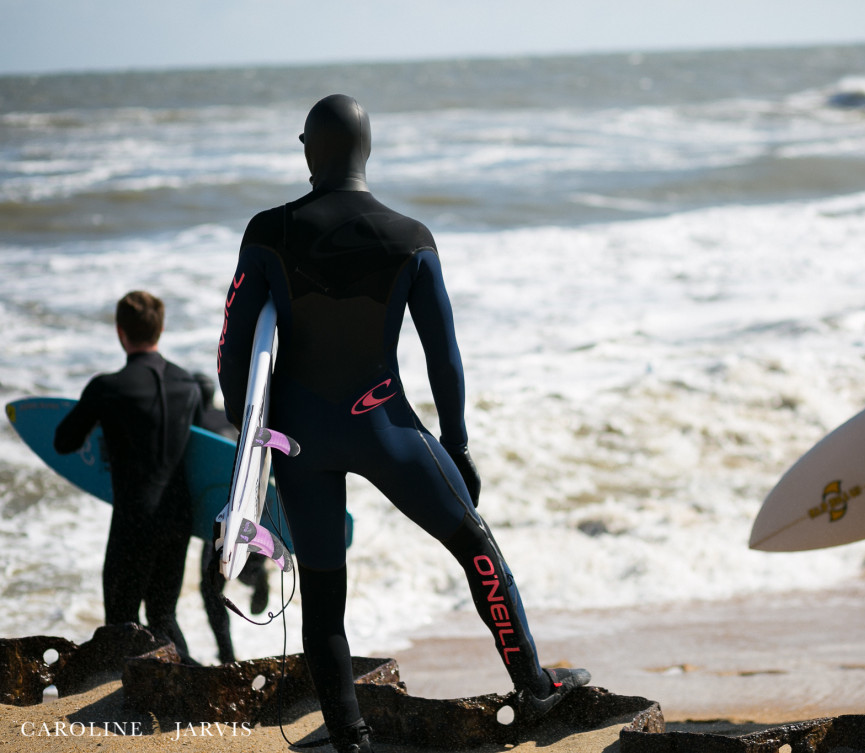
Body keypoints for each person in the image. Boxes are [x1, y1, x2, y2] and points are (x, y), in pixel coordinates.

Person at [216, 94, 590, 753]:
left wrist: (258, 445)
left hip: (300, 438)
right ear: (368, 148)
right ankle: (535, 686)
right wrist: (458, 442)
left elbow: (232, 349)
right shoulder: (410, 237)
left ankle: (350, 737)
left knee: (325, 594)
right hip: (384, 424)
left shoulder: (267, 232)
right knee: (478, 550)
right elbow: (443, 353)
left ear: (312, 149)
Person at [54, 290, 202, 660]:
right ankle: (184, 685)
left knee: (121, 621)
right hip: (179, 517)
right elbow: (200, 448)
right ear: (161, 328)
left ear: (120, 332)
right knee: (163, 615)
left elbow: (63, 441)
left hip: (135, 519)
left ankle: (126, 701)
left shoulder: (108, 388)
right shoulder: (189, 385)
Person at [192, 372, 270, 664]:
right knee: (243, 573)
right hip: (247, 512)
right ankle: (258, 576)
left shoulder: (196, 426)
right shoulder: (231, 420)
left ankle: (226, 651)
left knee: (211, 588)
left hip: (216, 520)